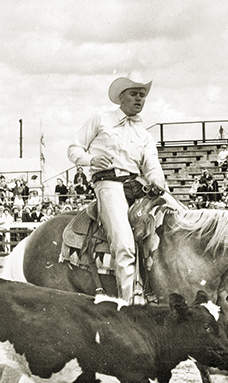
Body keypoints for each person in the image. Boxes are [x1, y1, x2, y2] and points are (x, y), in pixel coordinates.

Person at [67, 73, 170, 305]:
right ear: (121, 97)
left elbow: (152, 165)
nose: (139, 98)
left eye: (142, 95)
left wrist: (157, 180)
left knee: (179, 218)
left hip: (138, 185)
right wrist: (91, 160)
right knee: (124, 243)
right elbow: (74, 148)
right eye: (134, 94)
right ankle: (129, 304)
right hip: (108, 184)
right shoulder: (100, 119)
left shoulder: (144, 135)